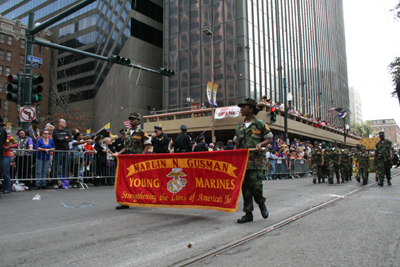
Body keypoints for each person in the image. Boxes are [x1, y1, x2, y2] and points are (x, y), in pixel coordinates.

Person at [234, 98, 273, 223]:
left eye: (243, 107)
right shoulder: (239, 126)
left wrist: (260, 144)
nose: (241, 109)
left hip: (256, 161)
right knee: (245, 188)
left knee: (256, 187)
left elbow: (269, 138)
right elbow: (236, 144)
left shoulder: (260, 124)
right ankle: (248, 213)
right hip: (243, 162)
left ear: (250, 109)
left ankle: (261, 203)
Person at [113, 112, 151, 210]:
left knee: (139, 181)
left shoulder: (142, 132)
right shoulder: (127, 133)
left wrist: (142, 157)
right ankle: (125, 202)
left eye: (134, 119)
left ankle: (146, 198)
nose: (131, 121)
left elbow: (147, 144)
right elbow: (126, 147)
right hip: (128, 159)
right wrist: (118, 153)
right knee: (125, 181)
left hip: (137, 159)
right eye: (130, 119)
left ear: (138, 121)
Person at [52, 119, 73, 188]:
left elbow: (70, 139)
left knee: (66, 167)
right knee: (56, 167)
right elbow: (57, 138)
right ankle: (55, 182)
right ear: (59, 123)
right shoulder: (55, 131)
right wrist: (65, 138)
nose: (65, 123)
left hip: (66, 151)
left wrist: (64, 138)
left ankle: (65, 181)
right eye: (63, 122)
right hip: (58, 151)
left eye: (65, 122)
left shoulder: (67, 131)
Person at [0, 123, 15, 194]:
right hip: (1, 154)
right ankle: (2, 186)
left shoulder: (9, 136)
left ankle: (7, 188)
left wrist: (9, 147)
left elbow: (16, 143)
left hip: (6, 155)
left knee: (6, 172)